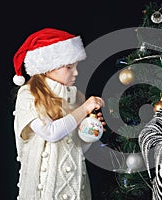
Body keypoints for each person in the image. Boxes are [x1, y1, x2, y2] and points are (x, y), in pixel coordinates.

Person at [12, 28, 106, 200]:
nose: (76, 73)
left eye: (76, 66)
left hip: (76, 186)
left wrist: (90, 131)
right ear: (48, 67)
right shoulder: (29, 95)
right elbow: (51, 132)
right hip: (45, 191)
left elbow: (78, 148)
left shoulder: (76, 97)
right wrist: (83, 110)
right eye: (69, 67)